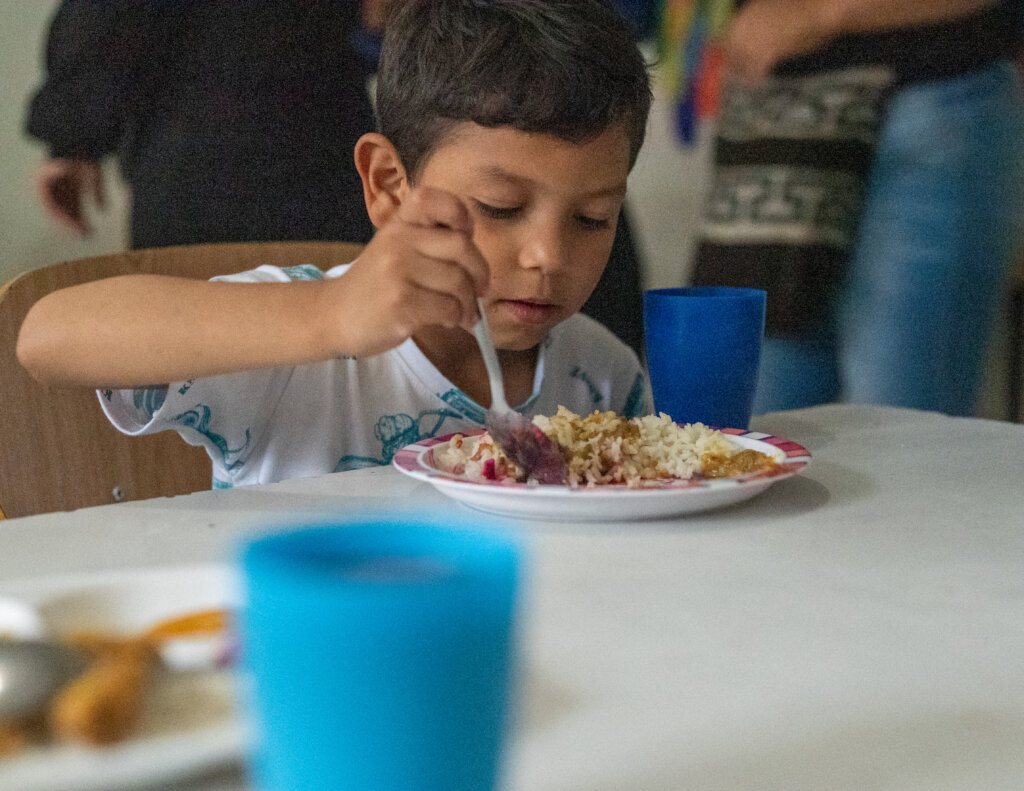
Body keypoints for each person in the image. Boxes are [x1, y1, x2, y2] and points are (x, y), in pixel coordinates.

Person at [16, 0, 654, 489]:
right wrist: (329, 312)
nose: (548, 255)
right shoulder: (302, 356)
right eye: (501, 208)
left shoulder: (604, 376)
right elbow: (46, 337)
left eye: (593, 218)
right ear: (388, 185)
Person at [689, 0, 1024, 416]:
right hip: (778, 122)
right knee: (754, 433)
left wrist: (821, 12)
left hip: (926, 93)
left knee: (900, 440)